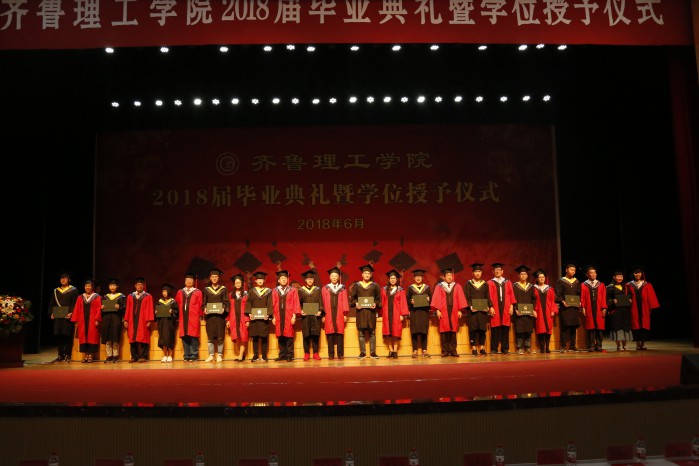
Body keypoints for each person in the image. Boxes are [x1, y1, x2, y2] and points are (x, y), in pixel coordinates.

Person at [430, 267, 468, 357]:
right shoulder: (439, 286)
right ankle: (444, 351)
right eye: (447, 275)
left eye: (451, 275)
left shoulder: (457, 286)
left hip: (454, 311)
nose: (450, 277)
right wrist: (438, 310)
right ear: (444, 277)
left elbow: (460, 298)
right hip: (443, 311)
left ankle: (453, 350)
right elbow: (436, 298)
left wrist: (460, 310)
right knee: (444, 331)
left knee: (453, 331)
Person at [350, 264, 382, 359]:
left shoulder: (375, 286)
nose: (367, 275)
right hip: (361, 312)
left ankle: (373, 352)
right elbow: (352, 299)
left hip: (371, 312)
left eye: (369, 273)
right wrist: (356, 303)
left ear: (371, 275)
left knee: (372, 333)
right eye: (365, 273)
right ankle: (362, 352)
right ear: (362, 275)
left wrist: (375, 304)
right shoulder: (357, 285)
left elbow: (378, 299)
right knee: (361, 333)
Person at [49, 271, 80, 363]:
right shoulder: (56, 291)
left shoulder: (73, 290)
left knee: (67, 335)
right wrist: (52, 313)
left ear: (69, 280)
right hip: (58, 317)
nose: (63, 280)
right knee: (59, 335)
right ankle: (60, 355)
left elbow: (75, 303)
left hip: (67, 317)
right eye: (62, 278)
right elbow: (52, 303)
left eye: (65, 278)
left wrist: (71, 312)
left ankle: (67, 355)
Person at [627, 266, 660, 350]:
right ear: (633, 274)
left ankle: (643, 344)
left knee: (644, 325)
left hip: (644, 307)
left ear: (642, 274)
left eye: (639, 273)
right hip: (634, 308)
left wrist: (650, 307)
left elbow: (650, 296)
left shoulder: (647, 284)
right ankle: (637, 344)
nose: (637, 274)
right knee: (635, 325)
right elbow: (626, 295)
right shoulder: (629, 285)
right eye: (635, 273)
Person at [123, 277, 155, 363]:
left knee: (143, 338)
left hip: (143, 320)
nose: (140, 286)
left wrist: (149, 320)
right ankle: (134, 356)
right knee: (132, 338)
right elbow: (128, 309)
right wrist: (126, 320)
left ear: (143, 286)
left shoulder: (148, 296)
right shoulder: (130, 296)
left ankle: (143, 356)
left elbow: (150, 308)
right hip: (132, 320)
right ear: (135, 286)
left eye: (141, 285)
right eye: (138, 284)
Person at [70, 279, 102, 363]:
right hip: (82, 321)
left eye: (89, 286)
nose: (87, 287)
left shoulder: (97, 297)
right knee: (83, 337)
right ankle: (86, 355)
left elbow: (98, 309)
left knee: (92, 337)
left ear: (92, 287)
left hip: (92, 321)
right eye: (86, 286)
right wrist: (76, 320)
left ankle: (91, 356)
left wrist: (97, 319)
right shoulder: (80, 297)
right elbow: (77, 309)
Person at [321, 266, 350, 360]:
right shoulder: (325, 288)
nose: (334, 277)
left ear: (338, 277)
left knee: (339, 334)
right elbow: (322, 302)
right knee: (330, 334)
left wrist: (345, 314)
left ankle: (340, 354)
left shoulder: (342, 288)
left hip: (339, 313)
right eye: (332, 276)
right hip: (328, 313)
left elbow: (345, 301)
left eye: (336, 276)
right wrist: (323, 314)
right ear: (330, 277)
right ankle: (331, 354)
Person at [245, 271, 274, 362]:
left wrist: (268, 314)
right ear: (256, 281)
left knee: (264, 336)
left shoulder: (268, 291)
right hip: (254, 318)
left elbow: (270, 303)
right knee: (255, 337)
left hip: (264, 318)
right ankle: (255, 355)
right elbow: (249, 303)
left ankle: (264, 356)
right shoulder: (252, 291)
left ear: (264, 280)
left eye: (262, 279)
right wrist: (249, 313)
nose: (260, 281)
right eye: (258, 279)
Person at [487, 263, 516, 355]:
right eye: (496, 270)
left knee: (505, 328)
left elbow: (511, 294)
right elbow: (489, 296)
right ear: (493, 272)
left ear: (502, 271)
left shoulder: (507, 282)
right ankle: (494, 349)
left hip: (506, 307)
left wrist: (511, 306)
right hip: (495, 307)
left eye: (499, 270)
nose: (498, 271)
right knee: (495, 328)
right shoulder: (490, 282)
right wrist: (491, 306)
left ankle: (505, 348)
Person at [175, 272, 204, 362]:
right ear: (185, 281)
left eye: (190, 280)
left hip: (193, 317)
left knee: (193, 336)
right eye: (187, 280)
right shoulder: (180, 292)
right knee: (184, 336)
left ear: (193, 282)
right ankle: (186, 355)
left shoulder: (198, 292)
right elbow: (176, 304)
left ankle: (194, 355)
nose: (189, 281)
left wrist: (200, 316)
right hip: (183, 317)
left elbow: (201, 304)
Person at [272, 270, 301, 362]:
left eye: (285, 278)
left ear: (288, 280)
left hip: (289, 315)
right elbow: (273, 304)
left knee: (289, 335)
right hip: (278, 315)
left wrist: (294, 316)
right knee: (280, 335)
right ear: (279, 280)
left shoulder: (292, 290)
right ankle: (282, 354)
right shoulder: (275, 290)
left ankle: (289, 355)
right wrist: (273, 317)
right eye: (282, 278)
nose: (284, 280)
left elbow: (295, 303)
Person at [202, 267, 229, 363]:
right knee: (210, 337)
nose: (214, 278)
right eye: (213, 276)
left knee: (220, 337)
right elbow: (204, 302)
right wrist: (205, 308)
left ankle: (220, 355)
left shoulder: (223, 289)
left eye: (216, 276)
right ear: (210, 278)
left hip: (220, 317)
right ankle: (211, 355)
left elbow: (226, 302)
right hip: (210, 317)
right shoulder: (206, 289)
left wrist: (223, 308)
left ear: (218, 278)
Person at [380, 269, 410, 358]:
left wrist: (402, 315)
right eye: (391, 278)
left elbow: (403, 303)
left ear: (397, 280)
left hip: (396, 314)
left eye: (394, 278)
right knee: (388, 333)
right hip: (386, 314)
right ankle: (390, 351)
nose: (392, 280)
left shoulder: (400, 290)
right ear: (388, 279)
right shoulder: (384, 290)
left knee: (396, 332)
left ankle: (395, 351)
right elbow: (382, 302)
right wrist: (381, 313)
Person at [463, 263, 490, 357]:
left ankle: (482, 348)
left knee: (482, 330)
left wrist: (488, 306)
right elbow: (465, 297)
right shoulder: (468, 284)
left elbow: (487, 297)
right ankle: (474, 348)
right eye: (476, 271)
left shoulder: (485, 284)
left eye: (479, 271)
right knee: (473, 330)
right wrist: (470, 306)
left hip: (482, 311)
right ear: (472, 273)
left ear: (481, 273)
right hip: (472, 312)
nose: (477, 273)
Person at [554, 263, 582, 352]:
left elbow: (579, 294)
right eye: (571, 270)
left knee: (574, 327)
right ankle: (563, 346)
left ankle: (573, 346)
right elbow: (557, 294)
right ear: (566, 270)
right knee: (564, 327)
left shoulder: (577, 282)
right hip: (565, 308)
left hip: (574, 307)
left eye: (574, 270)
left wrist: (579, 301)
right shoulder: (561, 281)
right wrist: (562, 301)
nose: (573, 271)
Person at [580, 265, 607, 352]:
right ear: (587, 274)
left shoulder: (601, 284)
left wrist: (604, 308)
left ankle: (599, 345)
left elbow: (604, 297)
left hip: (599, 308)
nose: (593, 274)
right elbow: (582, 297)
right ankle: (591, 345)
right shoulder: (583, 285)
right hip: (589, 308)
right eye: (591, 273)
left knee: (599, 327)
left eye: (594, 273)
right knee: (590, 327)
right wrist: (583, 307)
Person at [406, 269, 432, 358]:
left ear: (422, 278)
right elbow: (407, 299)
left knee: (424, 331)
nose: (418, 278)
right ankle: (415, 350)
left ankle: (424, 350)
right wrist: (411, 301)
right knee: (414, 331)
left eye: (420, 277)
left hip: (424, 312)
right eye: (416, 277)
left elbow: (431, 299)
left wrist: (429, 300)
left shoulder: (427, 288)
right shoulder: (410, 288)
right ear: (414, 278)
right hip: (414, 312)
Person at [298, 270, 323, 361]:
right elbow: (299, 303)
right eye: (308, 279)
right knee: (306, 335)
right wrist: (301, 310)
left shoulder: (317, 290)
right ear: (305, 280)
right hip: (305, 316)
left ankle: (315, 353)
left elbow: (320, 301)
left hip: (315, 316)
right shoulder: (301, 290)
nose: (310, 280)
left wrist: (320, 310)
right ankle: (306, 353)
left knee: (315, 334)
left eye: (311, 279)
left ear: (313, 280)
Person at [100, 277, 126, 363]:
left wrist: (120, 307)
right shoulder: (105, 297)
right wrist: (101, 308)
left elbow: (124, 308)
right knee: (107, 337)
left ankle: (115, 355)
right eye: (111, 285)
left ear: (117, 286)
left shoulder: (121, 297)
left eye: (114, 285)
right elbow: (100, 309)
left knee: (115, 337)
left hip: (116, 318)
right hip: (106, 318)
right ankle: (109, 356)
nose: (112, 287)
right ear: (108, 286)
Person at [605, 270, 633, 351]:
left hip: (625, 310)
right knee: (617, 327)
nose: (620, 278)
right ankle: (618, 346)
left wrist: (630, 300)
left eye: (621, 276)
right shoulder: (609, 287)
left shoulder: (626, 287)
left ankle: (624, 345)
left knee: (625, 327)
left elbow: (630, 295)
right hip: (615, 311)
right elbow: (606, 299)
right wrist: (612, 301)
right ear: (614, 277)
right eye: (618, 276)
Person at [512, 265, 536, 354]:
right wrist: (515, 309)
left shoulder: (531, 286)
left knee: (528, 330)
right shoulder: (515, 286)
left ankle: (527, 347)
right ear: (518, 275)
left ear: (527, 276)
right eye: (521, 274)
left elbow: (533, 299)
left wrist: (532, 309)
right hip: (519, 312)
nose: (523, 276)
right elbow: (513, 298)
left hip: (529, 312)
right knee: (519, 330)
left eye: (524, 274)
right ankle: (519, 347)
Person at [227, 274, 249, 361]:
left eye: (239, 282)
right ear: (234, 284)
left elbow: (248, 308)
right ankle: (241, 354)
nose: (238, 284)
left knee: (243, 336)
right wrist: (228, 320)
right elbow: (229, 308)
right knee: (236, 336)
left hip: (243, 318)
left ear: (242, 283)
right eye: (236, 282)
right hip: (233, 318)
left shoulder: (246, 294)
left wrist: (247, 320)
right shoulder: (231, 295)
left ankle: (240, 355)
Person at [532, 269, 556, 353]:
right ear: (537, 279)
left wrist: (553, 310)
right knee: (540, 329)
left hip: (548, 311)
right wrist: (533, 310)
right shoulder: (534, 288)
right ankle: (542, 347)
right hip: (538, 311)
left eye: (543, 277)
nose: (542, 278)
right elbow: (532, 301)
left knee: (548, 329)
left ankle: (547, 348)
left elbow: (553, 300)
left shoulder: (550, 288)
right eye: (540, 277)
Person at [155, 283, 179, 363]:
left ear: (169, 292)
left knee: (170, 339)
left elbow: (176, 312)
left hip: (170, 324)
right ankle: (165, 355)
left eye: (165, 291)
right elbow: (156, 312)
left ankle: (170, 355)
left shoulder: (173, 302)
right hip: (162, 323)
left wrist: (172, 312)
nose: (164, 293)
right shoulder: (159, 301)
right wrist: (156, 313)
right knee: (163, 340)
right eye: (163, 291)